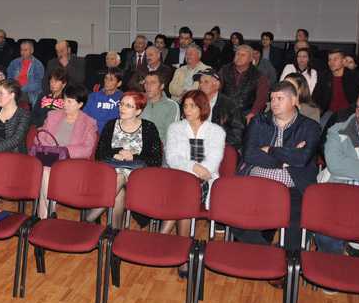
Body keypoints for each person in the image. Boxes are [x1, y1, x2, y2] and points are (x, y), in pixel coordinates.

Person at [234, 81, 321, 252]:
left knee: (296, 226)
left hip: (292, 187)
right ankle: (269, 253)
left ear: (294, 100)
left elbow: (302, 159)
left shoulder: (310, 126)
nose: (274, 103)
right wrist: (284, 159)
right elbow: (249, 154)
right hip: (257, 183)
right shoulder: (259, 121)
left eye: (280, 98)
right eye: (272, 98)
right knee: (235, 215)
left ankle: (284, 260)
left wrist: (270, 150)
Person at [163, 90, 225, 276]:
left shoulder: (216, 131)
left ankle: (161, 237)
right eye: (185, 106)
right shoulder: (175, 128)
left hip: (204, 181)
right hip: (178, 178)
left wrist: (195, 170)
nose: (187, 110)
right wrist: (193, 167)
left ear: (202, 108)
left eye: (192, 106)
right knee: (185, 195)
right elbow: (173, 158)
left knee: (187, 194)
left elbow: (212, 164)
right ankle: (184, 255)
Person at [317, 88, 359, 254]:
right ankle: (338, 263)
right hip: (345, 198)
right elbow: (336, 164)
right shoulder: (339, 130)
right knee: (324, 235)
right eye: (358, 108)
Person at [90, 91, 163, 228]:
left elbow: (156, 160)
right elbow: (99, 154)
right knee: (119, 190)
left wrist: (132, 157)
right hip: (110, 173)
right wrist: (116, 153)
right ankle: (115, 232)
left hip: (138, 177)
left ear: (138, 111)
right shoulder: (111, 124)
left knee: (120, 177)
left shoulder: (149, 127)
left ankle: (88, 219)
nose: (122, 108)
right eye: (121, 104)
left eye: (128, 106)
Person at [35, 85, 98, 219]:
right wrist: (51, 148)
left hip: (71, 163)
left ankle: (44, 217)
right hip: (50, 158)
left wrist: (64, 151)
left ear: (80, 104)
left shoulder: (88, 123)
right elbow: (40, 136)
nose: (65, 104)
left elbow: (87, 149)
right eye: (64, 100)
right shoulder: (53, 115)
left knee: (46, 171)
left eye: (70, 101)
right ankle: (46, 216)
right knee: (46, 170)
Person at [195, 69, 245, 150]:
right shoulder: (194, 102)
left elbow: (237, 136)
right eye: (200, 82)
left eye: (206, 82)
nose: (201, 85)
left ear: (217, 85)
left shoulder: (230, 105)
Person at [219, 44, 268, 123]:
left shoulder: (259, 75)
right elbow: (216, 90)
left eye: (243, 55)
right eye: (237, 54)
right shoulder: (224, 70)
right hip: (224, 112)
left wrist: (253, 113)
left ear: (251, 59)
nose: (239, 57)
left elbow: (261, 98)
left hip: (246, 113)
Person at [312, 49, 359, 119]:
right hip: (329, 113)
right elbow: (316, 97)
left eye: (335, 59)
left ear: (343, 61)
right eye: (329, 60)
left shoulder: (355, 76)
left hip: (350, 114)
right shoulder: (324, 77)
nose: (331, 62)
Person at [141, 72, 180, 145]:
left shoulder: (171, 106)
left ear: (162, 86)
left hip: (160, 148)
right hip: (137, 146)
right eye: (146, 82)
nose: (148, 86)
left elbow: (171, 135)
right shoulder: (140, 103)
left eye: (153, 83)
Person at [7, 40, 44, 106]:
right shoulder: (14, 63)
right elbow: (9, 78)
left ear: (32, 51)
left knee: (13, 98)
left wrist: (20, 89)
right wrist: (13, 87)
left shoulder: (38, 65)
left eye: (25, 50)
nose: (23, 52)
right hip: (14, 90)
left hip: (30, 93)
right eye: (21, 50)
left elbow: (38, 85)